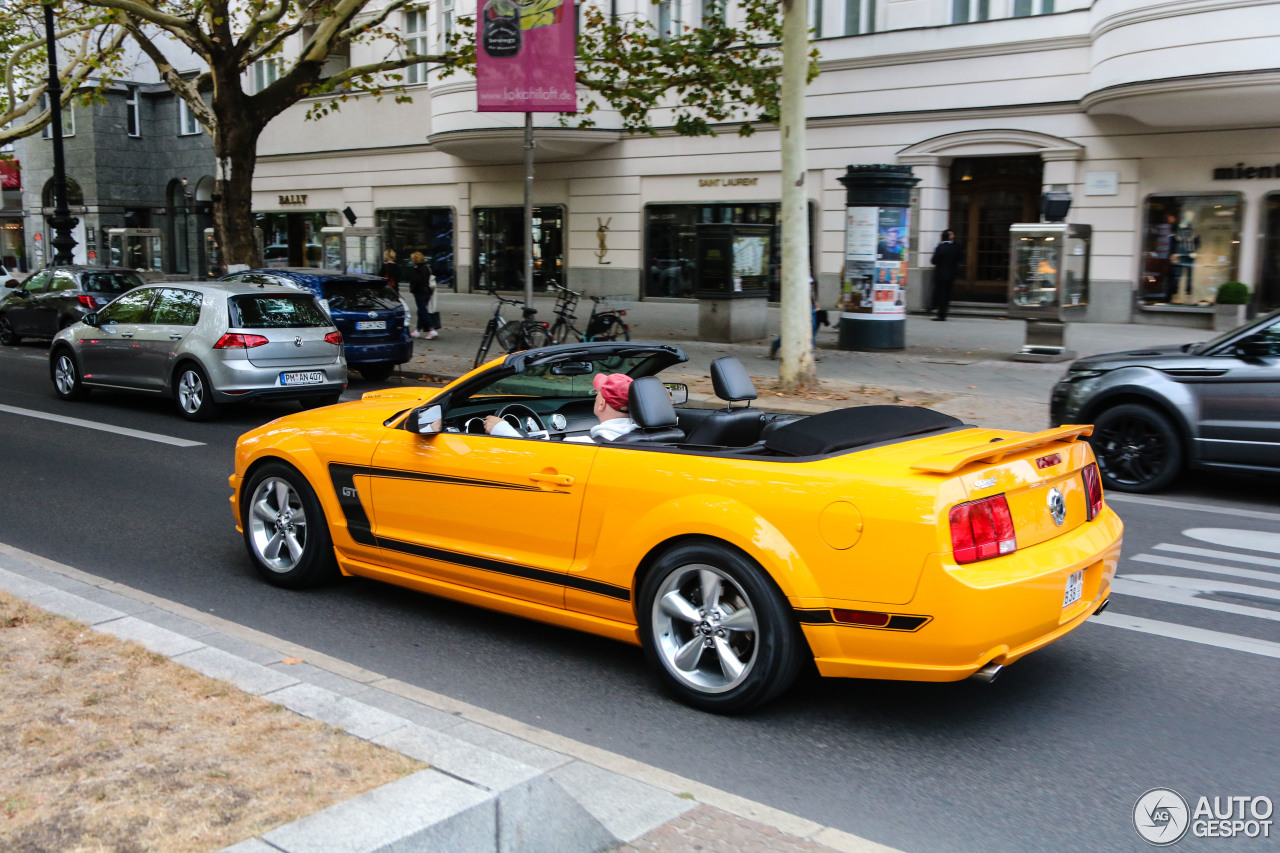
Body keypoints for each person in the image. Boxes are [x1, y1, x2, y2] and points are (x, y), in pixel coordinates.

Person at [485, 373, 637, 443]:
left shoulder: (586, 445)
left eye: (598, 393)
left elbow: (538, 460)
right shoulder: (649, 435)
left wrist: (502, 429)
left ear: (602, 404)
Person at [930, 229, 961, 321]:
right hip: (951, 273)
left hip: (940, 274)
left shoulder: (940, 247)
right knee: (946, 294)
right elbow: (959, 259)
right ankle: (943, 311)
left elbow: (934, 260)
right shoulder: (955, 247)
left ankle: (941, 314)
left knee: (941, 294)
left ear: (942, 238)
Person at [407, 251, 435, 339]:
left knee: (423, 311)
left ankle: (432, 329)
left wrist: (412, 290)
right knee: (421, 311)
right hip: (427, 292)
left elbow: (416, 281)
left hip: (419, 293)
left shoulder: (417, 270)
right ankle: (417, 330)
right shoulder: (427, 268)